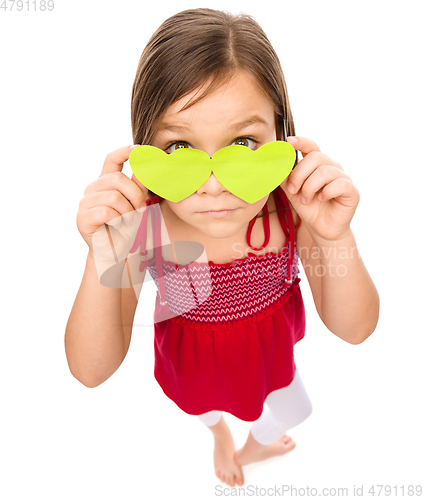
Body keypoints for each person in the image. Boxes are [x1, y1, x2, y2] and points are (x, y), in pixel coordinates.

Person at [65, 8, 380, 489]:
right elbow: (90, 371)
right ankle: (219, 436)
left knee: (297, 408)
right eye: (179, 149)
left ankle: (253, 444)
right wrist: (102, 255)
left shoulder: (293, 207)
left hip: (270, 356)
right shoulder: (144, 224)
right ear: (142, 146)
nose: (213, 185)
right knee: (205, 410)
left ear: (281, 133)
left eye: (242, 142)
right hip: (193, 365)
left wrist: (336, 235)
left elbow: (355, 329)